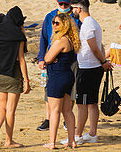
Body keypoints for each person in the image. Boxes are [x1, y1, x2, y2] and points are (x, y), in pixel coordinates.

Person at [0, 6, 31, 148]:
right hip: (13, 74)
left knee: (2, 107)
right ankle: (8, 140)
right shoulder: (18, 36)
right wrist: (27, 80)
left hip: (0, 74)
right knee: (11, 110)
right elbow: (21, 59)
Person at [71, 0, 110, 144]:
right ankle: (92, 133)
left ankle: (78, 135)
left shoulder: (87, 24)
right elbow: (99, 46)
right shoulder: (91, 23)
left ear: (79, 9)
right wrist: (103, 61)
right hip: (92, 66)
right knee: (92, 103)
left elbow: (94, 46)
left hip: (88, 68)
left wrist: (103, 61)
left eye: (74, 8)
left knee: (82, 104)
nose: (72, 11)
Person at [44, 11, 80, 149]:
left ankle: (52, 142)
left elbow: (47, 58)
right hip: (67, 76)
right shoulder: (71, 40)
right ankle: (72, 141)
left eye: (57, 23)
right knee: (67, 110)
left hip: (57, 77)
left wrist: (50, 56)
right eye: (53, 22)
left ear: (64, 25)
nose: (54, 25)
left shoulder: (61, 40)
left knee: (54, 110)